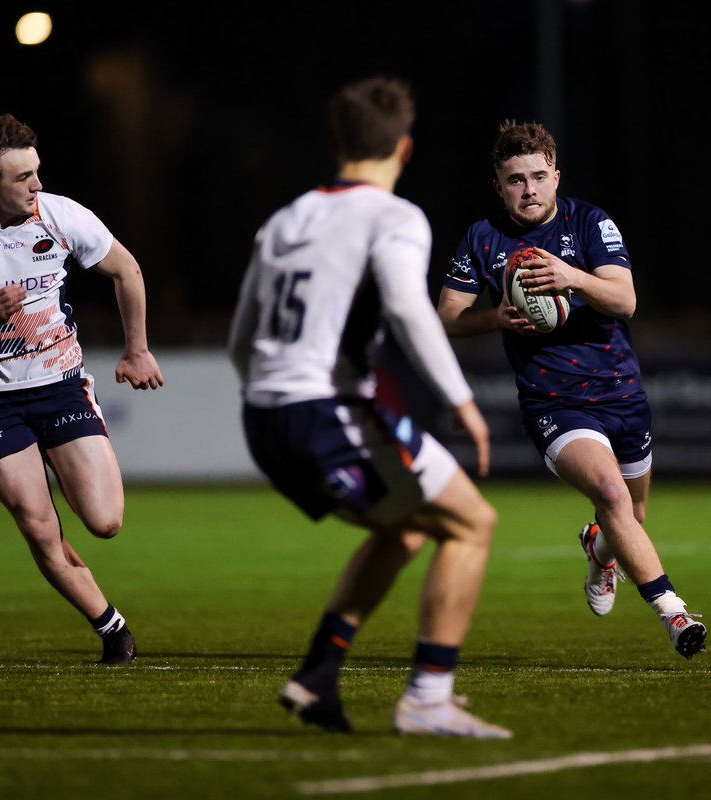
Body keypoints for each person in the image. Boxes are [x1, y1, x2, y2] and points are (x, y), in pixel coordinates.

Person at [229, 76, 511, 738]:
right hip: (325, 410)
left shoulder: (286, 218)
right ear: (404, 150)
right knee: (474, 524)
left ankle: (319, 676)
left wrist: (275, 391)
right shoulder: (393, 216)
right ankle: (428, 699)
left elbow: (242, 339)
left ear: (336, 145)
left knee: (407, 526)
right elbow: (411, 308)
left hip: (263, 415)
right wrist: (462, 401)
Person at [436, 120, 707, 659]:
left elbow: (625, 301)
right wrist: (498, 319)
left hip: (621, 392)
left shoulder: (589, 222)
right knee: (610, 495)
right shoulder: (482, 238)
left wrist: (571, 277)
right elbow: (447, 317)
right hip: (554, 401)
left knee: (632, 514)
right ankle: (675, 614)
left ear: (557, 177)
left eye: (538, 176)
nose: (528, 190)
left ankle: (599, 549)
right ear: (498, 186)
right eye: (515, 180)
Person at [0, 113, 164, 665]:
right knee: (37, 523)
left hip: (59, 388)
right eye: (22, 178)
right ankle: (112, 628)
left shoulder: (59, 215)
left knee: (105, 522)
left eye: (37, 172)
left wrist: (138, 349)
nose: (36, 185)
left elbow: (127, 270)